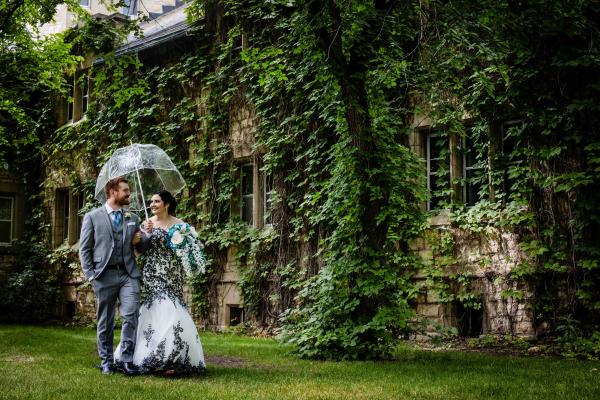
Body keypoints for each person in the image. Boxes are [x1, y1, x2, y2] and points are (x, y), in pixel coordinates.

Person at [114, 190, 206, 375]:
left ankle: (174, 358)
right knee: (162, 310)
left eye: (156, 201)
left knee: (173, 310)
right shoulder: (146, 224)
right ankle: (155, 357)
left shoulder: (180, 225)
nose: (152, 205)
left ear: (167, 204)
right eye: (151, 202)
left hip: (173, 273)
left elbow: (190, 250)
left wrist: (183, 248)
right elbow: (137, 252)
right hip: (152, 273)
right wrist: (138, 237)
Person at [79, 177, 150, 375]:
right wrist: (90, 275)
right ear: (112, 192)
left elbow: (140, 248)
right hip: (104, 275)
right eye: (125, 190)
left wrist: (145, 237)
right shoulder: (93, 217)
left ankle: (126, 360)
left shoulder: (133, 218)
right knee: (106, 320)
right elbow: (84, 249)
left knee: (131, 316)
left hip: (128, 274)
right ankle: (107, 362)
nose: (129, 194)